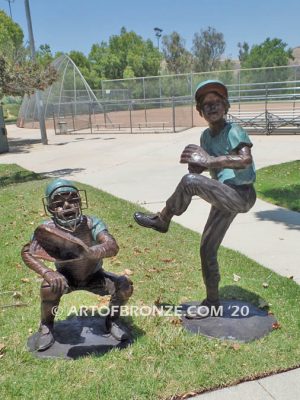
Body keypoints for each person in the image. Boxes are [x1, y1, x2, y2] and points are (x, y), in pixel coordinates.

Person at [134, 80, 256, 315]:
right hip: (223, 193)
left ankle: (163, 219)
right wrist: (195, 165)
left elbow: (244, 160)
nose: (212, 107)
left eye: (217, 102)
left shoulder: (234, 131)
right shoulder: (206, 137)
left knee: (189, 184)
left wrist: (208, 161)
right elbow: (207, 171)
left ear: (226, 106)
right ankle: (212, 302)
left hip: (241, 194)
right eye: (206, 105)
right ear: (200, 112)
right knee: (207, 248)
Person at [22, 178, 133, 351]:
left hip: (94, 275)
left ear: (80, 201)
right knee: (48, 287)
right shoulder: (47, 229)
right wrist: (47, 272)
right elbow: (27, 252)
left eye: (72, 199)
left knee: (124, 286)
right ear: (50, 208)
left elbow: (112, 245)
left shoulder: (91, 223)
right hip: (66, 277)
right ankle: (46, 326)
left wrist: (91, 252)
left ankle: (112, 320)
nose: (67, 205)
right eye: (59, 203)